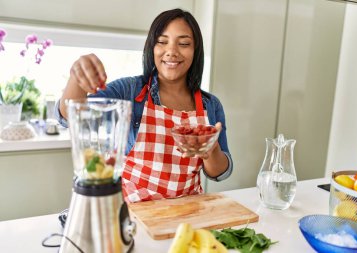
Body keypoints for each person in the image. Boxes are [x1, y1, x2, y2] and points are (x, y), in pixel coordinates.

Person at [55, 8, 233, 202]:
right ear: (152, 48)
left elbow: (221, 173)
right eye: (162, 42)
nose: (172, 51)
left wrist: (211, 151)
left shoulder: (211, 105)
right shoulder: (128, 90)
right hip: (131, 214)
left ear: (195, 50)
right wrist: (77, 77)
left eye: (183, 43)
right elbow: (71, 118)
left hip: (187, 213)